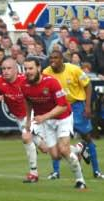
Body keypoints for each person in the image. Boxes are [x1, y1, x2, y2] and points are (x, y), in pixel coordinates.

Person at [0, 58, 87, 183]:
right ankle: (78, 148)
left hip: (35, 115)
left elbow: (32, 99)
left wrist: (32, 119)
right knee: (49, 150)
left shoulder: (24, 80)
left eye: (9, 68)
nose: (5, 71)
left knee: (26, 137)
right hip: (21, 119)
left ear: (16, 69)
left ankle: (33, 173)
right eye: (3, 69)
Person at [22, 57, 87, 189]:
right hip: (47, 121)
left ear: (39, 68)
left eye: (31, 68)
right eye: (26, 69)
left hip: (63, 117)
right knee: (56, 156)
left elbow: (63, 106)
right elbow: (28, 101)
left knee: (63, 150)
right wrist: (28, 119)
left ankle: (80, 180)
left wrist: (44, 117)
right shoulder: (24, 85)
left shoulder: (52, 82)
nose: (28, 71)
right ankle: (79, 147)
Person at [43, 50, 104, 179]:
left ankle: (97, 171)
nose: (52, 60)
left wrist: (87, 106)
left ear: (62, 59)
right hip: (58, 107)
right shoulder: (46, 72)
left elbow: (88, 85)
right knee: (56, 139)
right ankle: (56, 171)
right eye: (51, 58)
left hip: (76, 106)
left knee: (86, 136)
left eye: (55, 58)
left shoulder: (74, 69)